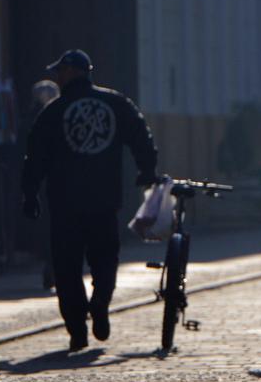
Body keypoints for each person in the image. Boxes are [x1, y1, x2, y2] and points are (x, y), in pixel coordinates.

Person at [21, 50, 158, 352]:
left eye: (60, 71)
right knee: (105, 259)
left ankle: (77, 331)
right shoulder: (116, 103)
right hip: (104, 200)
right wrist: (146, 170)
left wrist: (30, 193)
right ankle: (100, 303)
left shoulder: (55, 111)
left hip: (65, 203)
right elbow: (141, 136)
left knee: (67, 268)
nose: (57, 76)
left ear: (71, 72)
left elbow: (35, 155)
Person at [29, 79, 60, 291]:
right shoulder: (60, 117)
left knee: (48, 227)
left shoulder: (33, 119)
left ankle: (51, 267)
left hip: (42, 182)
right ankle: (53, 268)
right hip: (56, 182)